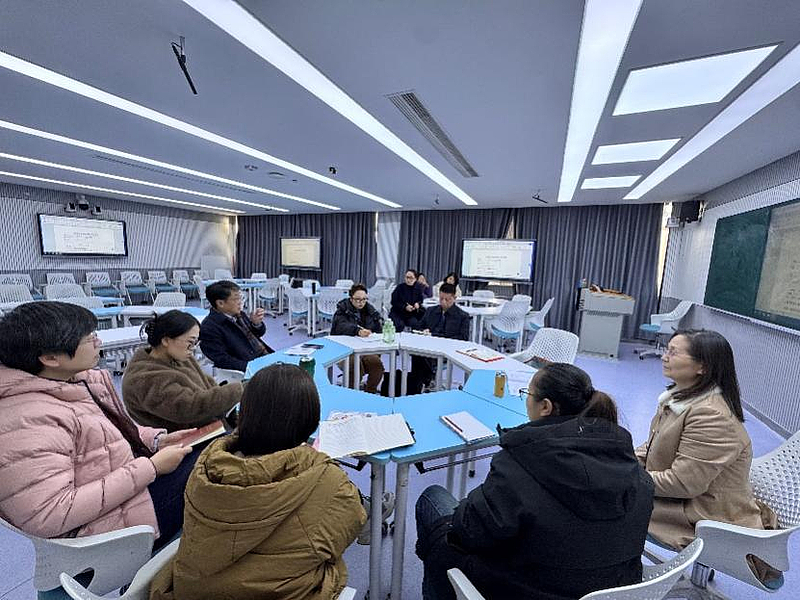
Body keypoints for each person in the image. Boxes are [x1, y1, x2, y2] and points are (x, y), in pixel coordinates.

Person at [415, 363, 654, 600]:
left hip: (528, 589)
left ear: (545, 407)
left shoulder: (520, 463)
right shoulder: (631, 466)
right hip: (612, 591)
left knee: (433, 500)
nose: (526, 400)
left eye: (527, 394)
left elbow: (469, 530)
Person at [149, 363, 366, 600]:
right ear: (310, 419)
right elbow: (350, 525)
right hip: (273, 594)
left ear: (245, 412)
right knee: (330, 563)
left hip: (196, 590)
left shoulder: (207, 468)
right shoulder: (328, 480)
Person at [0, 302, 196, 554]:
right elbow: (49, 514)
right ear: (50, 358)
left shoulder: (69, 382)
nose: (99, 343)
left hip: (123, 492)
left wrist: (155, 440)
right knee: (210, 468)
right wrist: (151, 467)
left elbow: (106, 436)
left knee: (208, 454)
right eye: (89, 339)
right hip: (101, 533)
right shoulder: (27, 419)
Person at [636, 329, 776, 550]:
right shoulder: (679, 398)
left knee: (601, 503)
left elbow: (682, 484)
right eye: (666, 350)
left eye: (673, 352)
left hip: (701, 517)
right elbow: (653, 446)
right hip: (681, 501)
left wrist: (625, 477)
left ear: (702, 367)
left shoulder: (711, 416)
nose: (664, 357)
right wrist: (619, 461)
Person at [123, 310, 243, 431]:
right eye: (190, 342)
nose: (193, 348)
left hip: (211, 428)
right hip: (185, 439)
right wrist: (240, 390)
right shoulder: (144, 379)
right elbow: (190, 407)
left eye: (196, 343)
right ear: (166, 340)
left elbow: (207, 383)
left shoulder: (178, 357)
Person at [199, 280, 273, 372]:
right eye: (236, 299)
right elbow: (222, 360)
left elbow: (257, 334)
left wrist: (256, 324)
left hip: (265, 357)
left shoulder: (239, 315)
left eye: (240, 298)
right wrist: (252, 367)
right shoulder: (210, 328)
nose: (240, 302)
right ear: (220, 303)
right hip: (251, 366)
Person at [410, 283, 470, 390]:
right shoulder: (431, 311)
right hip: (428, 347)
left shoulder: (462, 316)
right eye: (441, 298)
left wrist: (434, 335)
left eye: (447, 299)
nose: (443, 302)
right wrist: (423, 331)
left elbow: (463, 338)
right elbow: (419, 326)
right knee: (417, 353)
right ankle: (419, 385)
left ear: (454, 298)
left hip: (448, 350)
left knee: (423, 358)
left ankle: (426, 381)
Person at [331, 283, 384, 393]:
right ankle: (351, 395)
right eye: (358, 299)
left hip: (365, 349)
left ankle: (370, 392)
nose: (361, 302)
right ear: (351, 299)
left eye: (364, 299)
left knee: (377, 365)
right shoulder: (342, 310)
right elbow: (341, 326)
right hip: (344, 351)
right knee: (355, 366)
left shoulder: (370, 311)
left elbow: (378, 330)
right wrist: (357, 331)